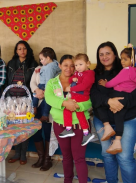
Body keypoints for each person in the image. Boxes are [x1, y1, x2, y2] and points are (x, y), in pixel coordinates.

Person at [90, 41, 136, 183]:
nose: (104, 57)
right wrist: (109, 101)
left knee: (124, 157)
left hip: (128, 119)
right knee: (107, 155)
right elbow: (93, 95)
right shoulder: (94, 74)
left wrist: (119, 103)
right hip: (103, 119)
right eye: (101, 54)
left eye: (108, 53)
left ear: (115, 54)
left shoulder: (128, 69)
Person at [45, 55, 92, 183]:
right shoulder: (52, 82)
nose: (69, 68)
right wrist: (65, 104)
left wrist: (78, 106)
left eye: (72, 65)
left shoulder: (81, 80)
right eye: (66, 65)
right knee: (66, 157)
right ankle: (68, 180)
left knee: (79, 158)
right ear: (59, 66)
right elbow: (49, 98)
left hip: (79, 125)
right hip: (60, 125)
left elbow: (89, 101)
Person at [98, 44, 136, 154]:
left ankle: (114, 136)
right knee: (118, 115)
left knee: (111, 112)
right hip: (124, 97)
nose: (122, 61)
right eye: (122, 59)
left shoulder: (125, 71)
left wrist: (105, 84)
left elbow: (113, 82)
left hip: (119, 95)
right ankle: (117, 139)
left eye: (125, 59)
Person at [6, 40, 38, 165]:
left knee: (23, 127)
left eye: (24, 48)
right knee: (13, 126)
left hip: (26, 100)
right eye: (19, 49)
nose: (22, 51)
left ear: (28, 50)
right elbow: (8, 81)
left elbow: (34, 82)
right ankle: (16, 153)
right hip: (11, 99)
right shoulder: (11, 63)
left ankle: (23, 154)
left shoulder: (33, 64)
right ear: (16, 51)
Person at [60, 53, 94, 140]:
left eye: (80, 64)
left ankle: (68, 128)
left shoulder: (89, 73)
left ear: (88, 63)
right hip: (77, 95)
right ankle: (86, 132)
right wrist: (72, 79)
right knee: (80, 114)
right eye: (76, 65)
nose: (78, 67)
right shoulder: (78, 73)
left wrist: (71, 89)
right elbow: (71, 79)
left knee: (67, 109)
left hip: (82, 96)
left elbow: (84, 86)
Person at [30, 61, 53, 171]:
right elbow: (32, 83)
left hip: (49, 106)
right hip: (37, 105)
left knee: (48, 132)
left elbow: (55, 85)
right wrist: (37, 90)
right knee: (36, 131)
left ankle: (47, 160)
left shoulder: (55, 69)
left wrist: (45, 93)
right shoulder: (38, 69)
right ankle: (41, 157)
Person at [32, 47, 60, 122]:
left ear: (48, 58)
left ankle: (34, 108)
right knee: (44, 98)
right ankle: (43, 114)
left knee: (41, 97)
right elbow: (32, 83)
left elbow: (49, 79)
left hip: (45, 85)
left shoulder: (49, 67)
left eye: (42, 59)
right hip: (44, 85)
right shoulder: (52, 65)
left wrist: (46, 90)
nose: (40, 61)